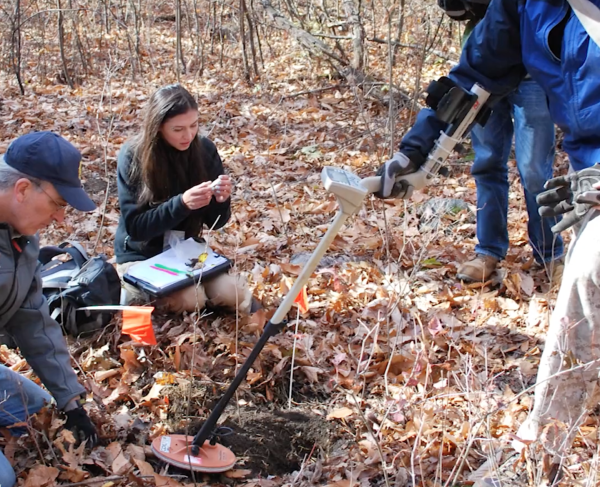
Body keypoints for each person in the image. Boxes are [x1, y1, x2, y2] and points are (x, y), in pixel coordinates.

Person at [376, 0, 600, 478]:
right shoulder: (525, 6)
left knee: (585, 277)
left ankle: (540, 459)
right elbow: (473, 75)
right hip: (590, 182)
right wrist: (416, 149)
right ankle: (542, 458)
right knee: (582, 304)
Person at [0, 132, 99, 487]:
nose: (60, 219)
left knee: (40, 412)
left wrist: (70, 401)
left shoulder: (21, 238)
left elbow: (34, 322)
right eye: (57, 203)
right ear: (23, 189)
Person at [438, 0, 562, 282]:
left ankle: (551, 254)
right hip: (483, 66)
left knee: (535, 170)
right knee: (487, 163)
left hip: (534, 66)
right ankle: (488, 252)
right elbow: (452, 8)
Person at [115, 84, 253, 314]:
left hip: (185, 251)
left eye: (194, 125)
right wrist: (181, 204)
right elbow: (136, 228)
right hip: (142, 254)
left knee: (233, 292)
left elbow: (217, 222)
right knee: (191, 299)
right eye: (178, 129)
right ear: (158, 127)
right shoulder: (133, 155)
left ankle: (199, 302)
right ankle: (137, 292)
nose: (188, 135)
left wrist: (220, 200)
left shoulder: (204, 150)